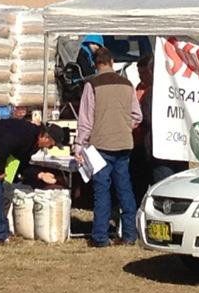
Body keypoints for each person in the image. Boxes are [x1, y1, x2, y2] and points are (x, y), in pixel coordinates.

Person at [75, 48, 142, 247]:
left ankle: (100, 237)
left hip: (101, 145)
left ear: (96, 64)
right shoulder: (127, 84)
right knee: (125, 190)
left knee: (102, 191)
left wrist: (79, 145)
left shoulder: (92, 85)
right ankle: (130, 234)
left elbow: (86, 120)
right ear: (112, 61)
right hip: (123, 144)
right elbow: (137, 116)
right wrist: (123, 126)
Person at [0, 119, 65, 244]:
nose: (50, 147)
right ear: (45, 137)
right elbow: (2, 147)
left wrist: (40, 174)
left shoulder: (33, 143)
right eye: (52, 144)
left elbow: (22, 165)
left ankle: (0, 230)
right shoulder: (24, 134)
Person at [133, 54, 187, 204]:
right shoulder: (142, 89)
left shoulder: (154, 93)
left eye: (145, 73)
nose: (142, 77)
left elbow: (146, 118)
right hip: (166, 146)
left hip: (163, 149)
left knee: (166, 188)